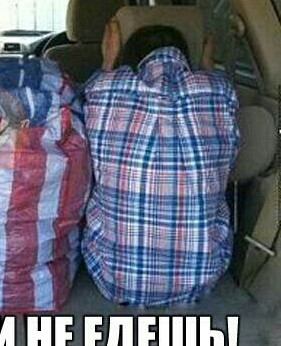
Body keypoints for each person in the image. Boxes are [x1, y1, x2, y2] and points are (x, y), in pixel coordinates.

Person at [81, 19, 239, 306]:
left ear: (125, 54)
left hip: (113, 278)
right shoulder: (221, 92)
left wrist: (107, 61)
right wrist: (207, 66)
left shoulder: (102, 90)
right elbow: (228, 163)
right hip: (203, 278)